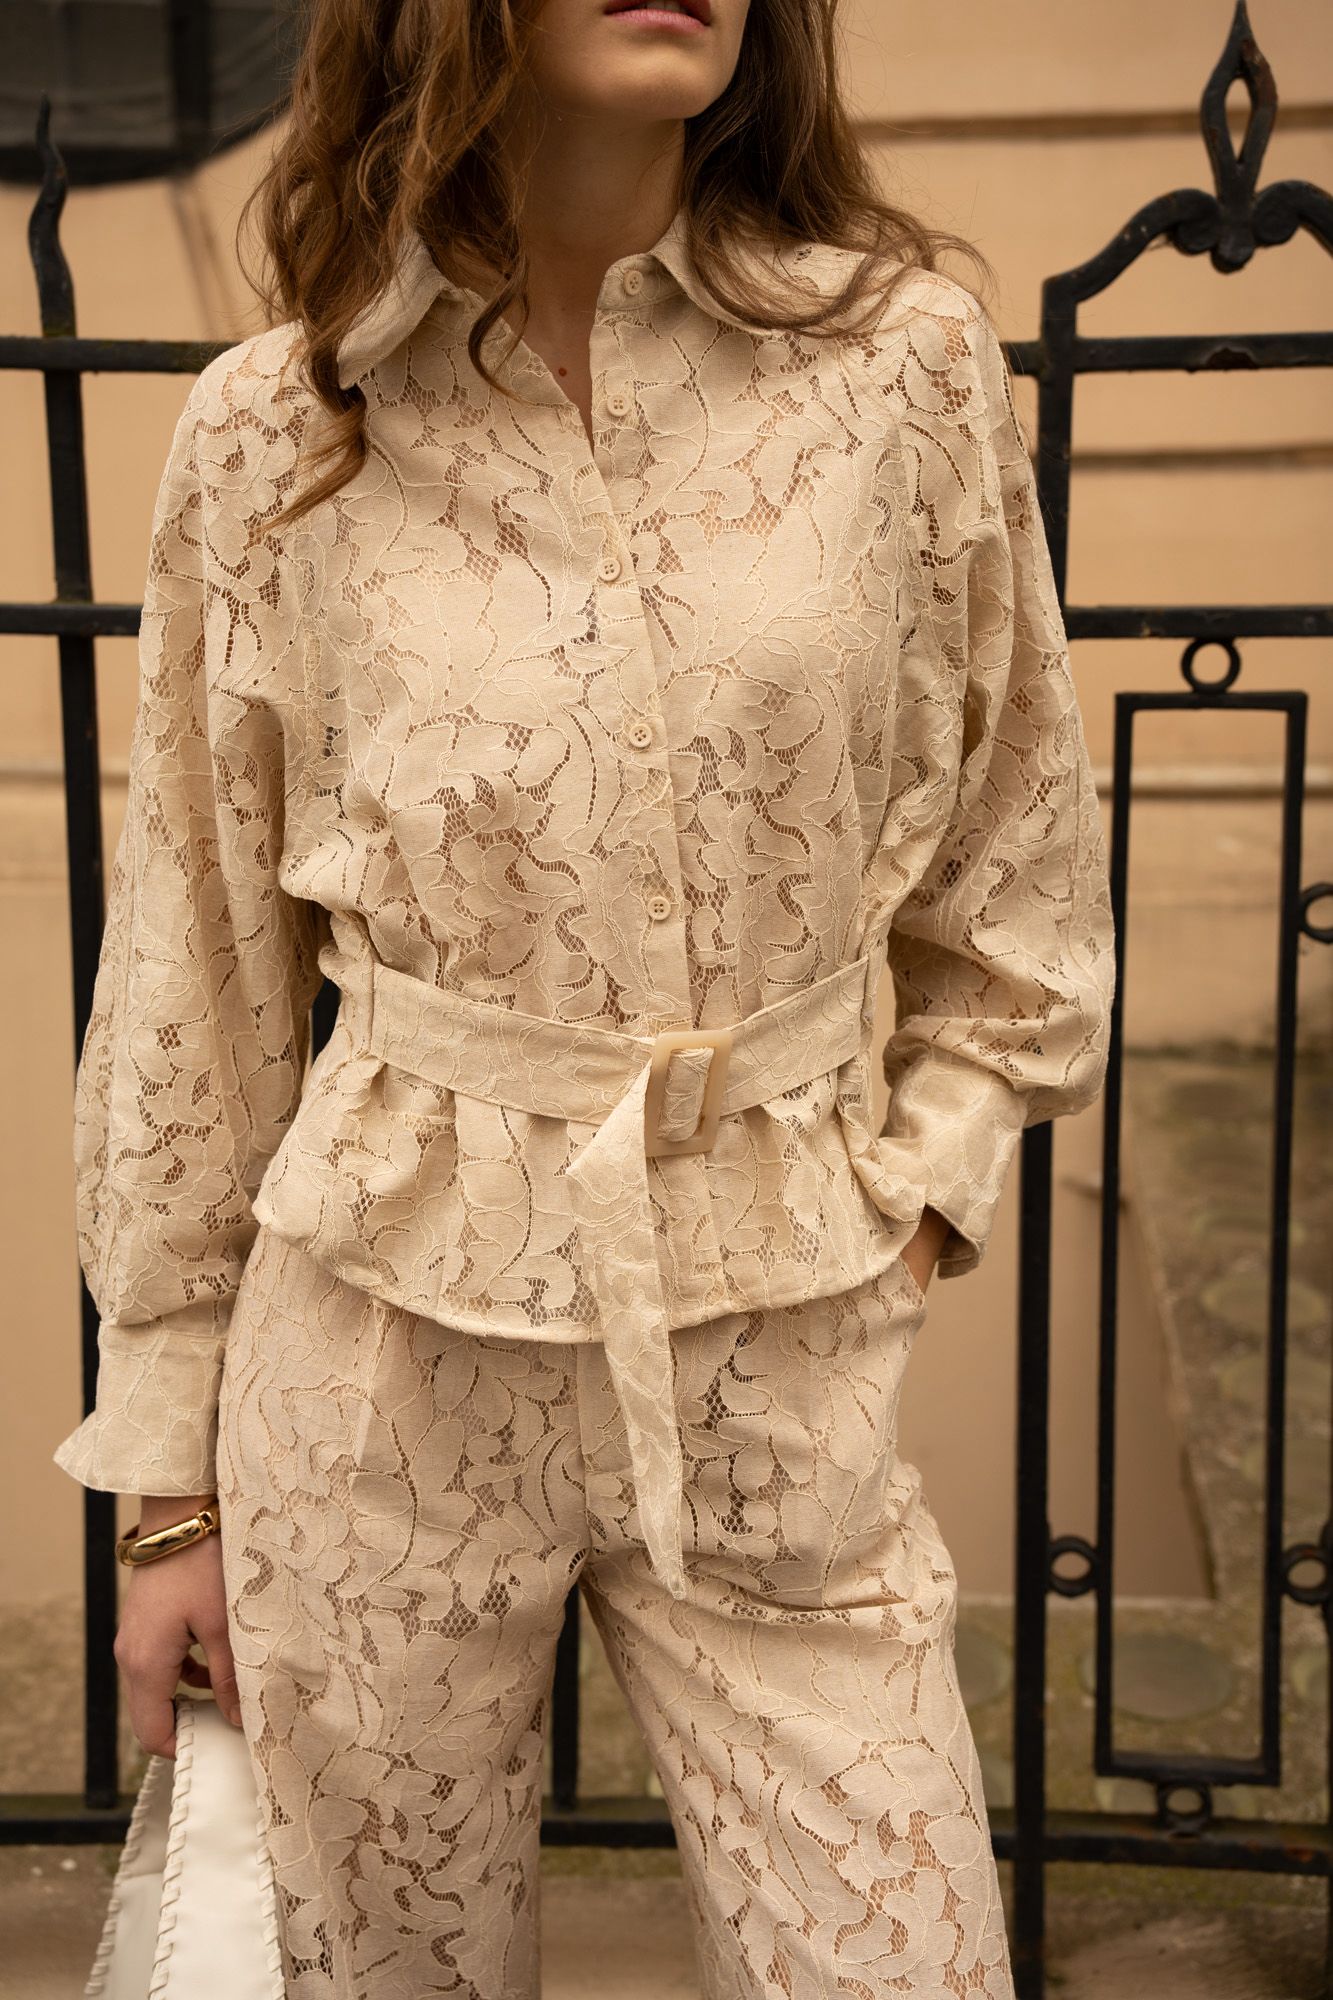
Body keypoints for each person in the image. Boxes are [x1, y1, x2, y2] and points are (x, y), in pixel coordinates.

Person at [52, 0, 1116, 1993]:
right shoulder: (279, 422)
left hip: (781, 1340)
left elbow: (1017, 873)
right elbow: (195, 970)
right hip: (374, 1367)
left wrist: (908, 1194)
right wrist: (167, 1499)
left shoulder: (899, 365)